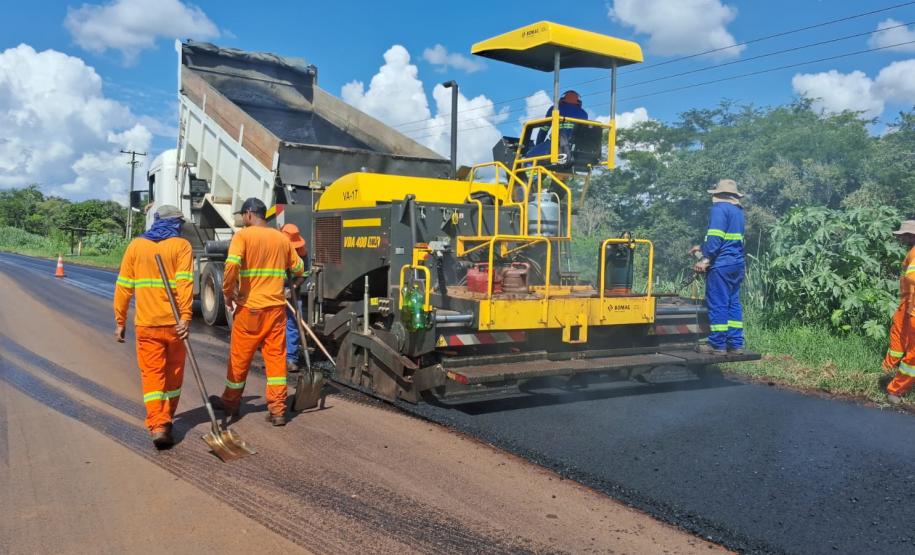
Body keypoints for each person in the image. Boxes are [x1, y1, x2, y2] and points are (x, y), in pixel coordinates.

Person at [211, 198, 306, 426]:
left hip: (250, 309)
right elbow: (299, 268)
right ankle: (277, 410)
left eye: (243, 216)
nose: (243, 220)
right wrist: (288, 288)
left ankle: (231, 403)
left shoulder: (243, 236)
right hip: (275, 309)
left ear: (250, 214)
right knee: (275, 360)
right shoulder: (281, 239)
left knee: (240, 359)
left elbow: (232, 265)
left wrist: (227, 292)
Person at [113, 205, 193, 449]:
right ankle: (165, 418)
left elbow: (123, 286)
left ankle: (158, 425)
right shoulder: (181, 246)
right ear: (176, 224)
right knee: (173, 375)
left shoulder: (136, 246)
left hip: (147, 325)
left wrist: (120, 321)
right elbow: (185, 284)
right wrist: (186, 317)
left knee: (152, 375)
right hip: (174, 325)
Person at [693, 179, 746, 355]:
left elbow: (715, 238)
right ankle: (736, 344)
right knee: (733, 303)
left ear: (719, 194)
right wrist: (702, 247)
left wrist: (705, 260)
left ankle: (717, 344)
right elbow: (728, 239)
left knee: (719, 303)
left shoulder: (719, 209)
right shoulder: (738, 211)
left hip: (721, 265)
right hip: (736, 264)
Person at [883, 220, 915, 404]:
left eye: (904, 235)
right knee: (899, 339)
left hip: (910, 305)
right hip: (908, 305)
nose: (901, 238)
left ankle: (893, 382)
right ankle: (892, 380)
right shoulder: (912, 253)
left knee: (907, 349)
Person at [526, 90, 588, 159]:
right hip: (576, 151)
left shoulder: (555, 109)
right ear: (578, 102)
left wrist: (538, 146)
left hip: (557, 146)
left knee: (528, 156)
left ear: (562, 99)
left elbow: (543, 131)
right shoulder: (584, 114)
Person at [281, 223, 308, 373]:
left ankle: (291, 359)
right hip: (274, 289)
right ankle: (276, 358)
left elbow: (304, 273)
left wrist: (294, 288)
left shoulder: (301, 251)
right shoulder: (274, 248)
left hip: (293, 289)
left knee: (293, 322)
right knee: (274, 325)